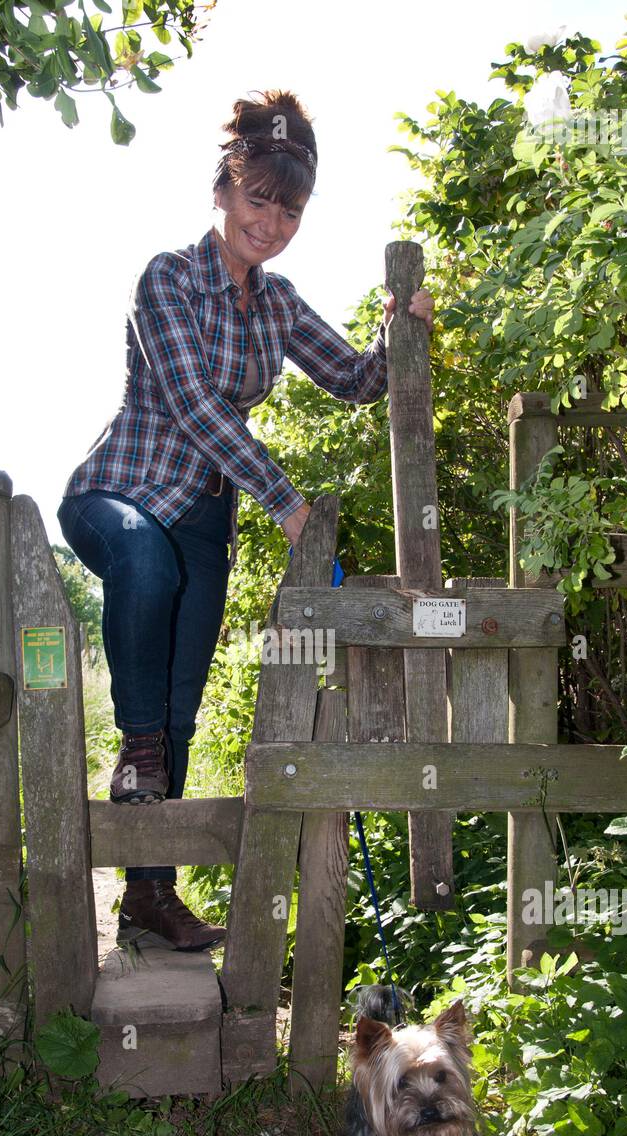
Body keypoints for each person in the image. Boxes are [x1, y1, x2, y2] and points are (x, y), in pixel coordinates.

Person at [57, 88, 434, 955]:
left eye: (289, 208)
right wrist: (289, 503)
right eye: (258, 198)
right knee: (144, 570)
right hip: (120, 495)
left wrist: (398, 332)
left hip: (203, 523)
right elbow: (194, 406)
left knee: (183, 711)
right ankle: (136, 746)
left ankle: (150, 894)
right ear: (223, 191)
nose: (271, 222)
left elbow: (353, 381)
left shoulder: (278, 303)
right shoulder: (167, 278)